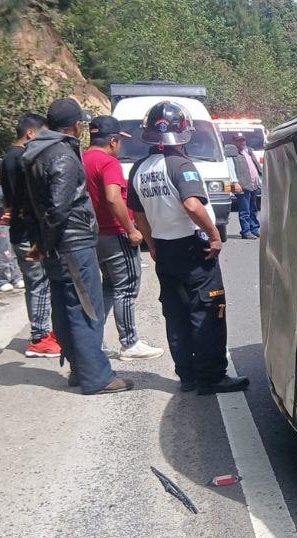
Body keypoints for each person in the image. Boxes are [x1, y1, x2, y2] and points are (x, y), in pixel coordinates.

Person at [128, 101, 248, 395]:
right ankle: (211, 377)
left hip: (165, 251)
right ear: (184, 133)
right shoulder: (181, 165)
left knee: (177, 313)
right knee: (208, 310)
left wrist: (153, 245)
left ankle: (188, 376)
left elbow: (140, 215)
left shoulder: (138, 169)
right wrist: (214, 234)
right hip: (194, 249)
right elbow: (192, 204)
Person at [21, 98, 132, 395]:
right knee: (87, 310)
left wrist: (40, 242)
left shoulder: (34, 154)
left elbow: (30, 205)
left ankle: (78, 368)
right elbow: (59, 208)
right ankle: (96, 377)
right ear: (77, 126)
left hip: (56, 246)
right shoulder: (62, 155)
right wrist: (46, 241)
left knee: (66, 308)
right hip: (72, 244)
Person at [84, 115, 164, 361]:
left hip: (94, 235)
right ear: (113, 141)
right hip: (115, 234)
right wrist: (130, 228)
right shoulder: (108, 163)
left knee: (109, 288)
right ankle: (130, 343)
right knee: (127, 288)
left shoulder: (82, 159)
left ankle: (93, 339)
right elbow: (112, 197)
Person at [1, 113, 61, 357]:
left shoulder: (7, 159)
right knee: (39, 283)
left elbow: (11, 198)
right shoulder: (23, 159)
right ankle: (39, 338)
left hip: (19, 228)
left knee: (35, 283)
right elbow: (30, 198)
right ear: (30, 133)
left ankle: (42, 333)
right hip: (28, 231)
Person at [0, 162, 24, 292]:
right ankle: (2, 279)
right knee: (3, 252)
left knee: (13, 251)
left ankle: (16, 277)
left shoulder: (4, 186)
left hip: (11, 223)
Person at [230, 132, 262, 240]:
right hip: (242, 185)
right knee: (245, 210)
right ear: (234, 142)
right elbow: (231, 169)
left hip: (253, 184)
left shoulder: (249, 151)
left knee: (254, 209)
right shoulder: (232, 153)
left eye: (243, 140)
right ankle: (246, 231)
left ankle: (254, 229)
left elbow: (256, 166)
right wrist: (235, 182)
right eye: (239, 140)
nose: (242, 142)